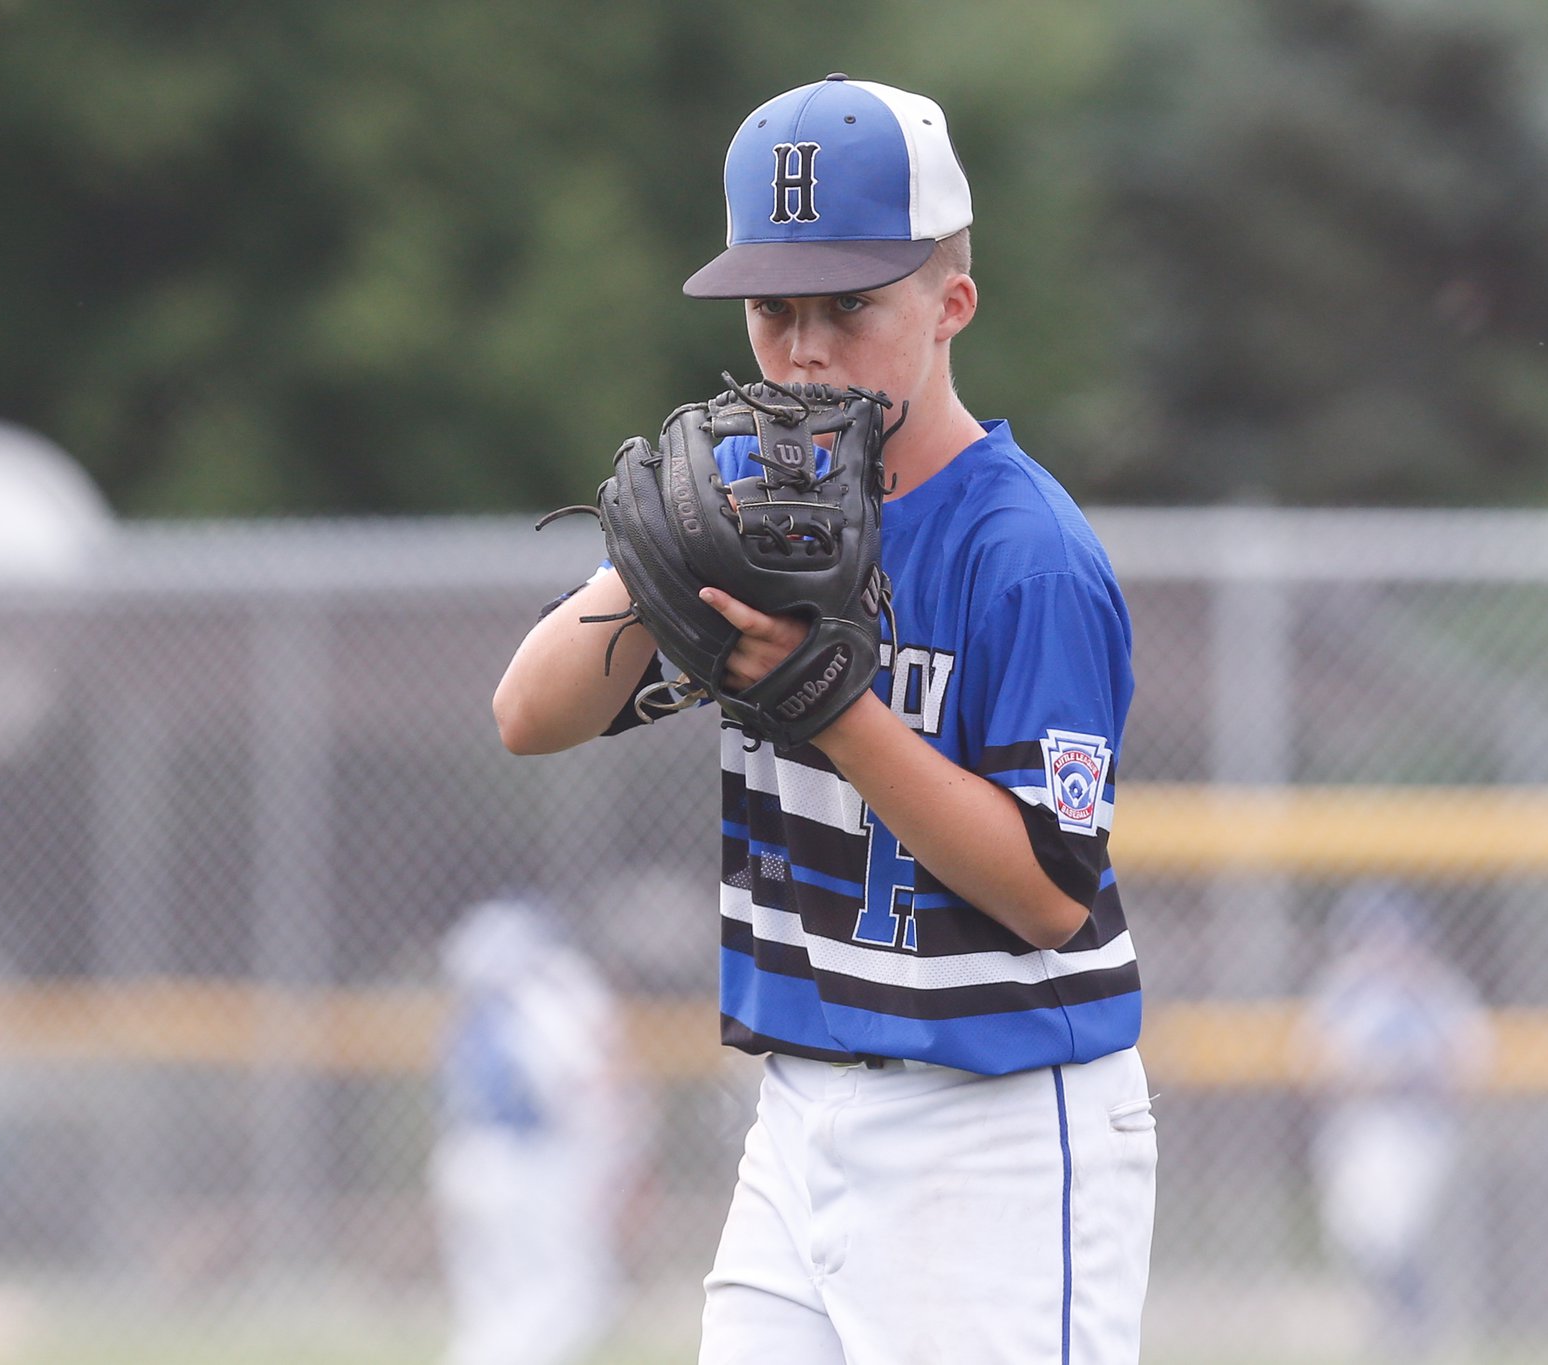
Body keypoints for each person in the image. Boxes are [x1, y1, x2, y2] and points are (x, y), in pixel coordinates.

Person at [493, 74, 1157, 1363]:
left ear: (949, 301)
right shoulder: (744, 511)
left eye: (848, 306)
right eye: (772, 309)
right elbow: (527, 715)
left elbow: (1047, 897)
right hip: (798, 1112)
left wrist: (832, 708)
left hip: (999, 1128)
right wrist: (653, 560)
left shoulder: (1020, 552)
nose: (802, 351)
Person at [429, 897, 645, 1365]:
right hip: (534, 1164)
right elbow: (583, 1083)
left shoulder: (474, 1013)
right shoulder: (547, 997)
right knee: (573, 1301)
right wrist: (617, 1149)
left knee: (488, 1312)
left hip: (466, 1158)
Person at [1294, 882, 1491, 1360]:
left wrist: (1410, 1073)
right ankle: (1404, 1319)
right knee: (1356, 1235)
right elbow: (1310, 1066)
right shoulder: (1343, 992)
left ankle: (1415, 1323)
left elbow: (1472, 1063)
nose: (1386, 951)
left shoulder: (1438, 991)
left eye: (1396, 939)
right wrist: (1370, 1075)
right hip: (1353, 1131)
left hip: (1418, 1132)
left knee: (1392, 1230)